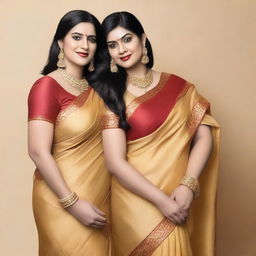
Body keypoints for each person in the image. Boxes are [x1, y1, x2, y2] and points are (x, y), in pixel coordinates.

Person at [94, 12, 220, 256]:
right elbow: (115, 162)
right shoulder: (111, 96)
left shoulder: (180, 86)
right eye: (112, 45)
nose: (121, 49)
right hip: (135, 202)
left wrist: (188, 185)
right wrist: (161, 202)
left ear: (142, 39)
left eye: (127, 39)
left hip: (178, 195)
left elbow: (205, 135)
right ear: (107, 52)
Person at [27, 10, 111, 255]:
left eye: (92, 39)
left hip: (99, 194)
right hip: (60, 198)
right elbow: (37, 152)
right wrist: (72, 204)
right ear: (60, 42)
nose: (85, 45)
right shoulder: (46, 87)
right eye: (76, 37)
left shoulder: (99, 89)